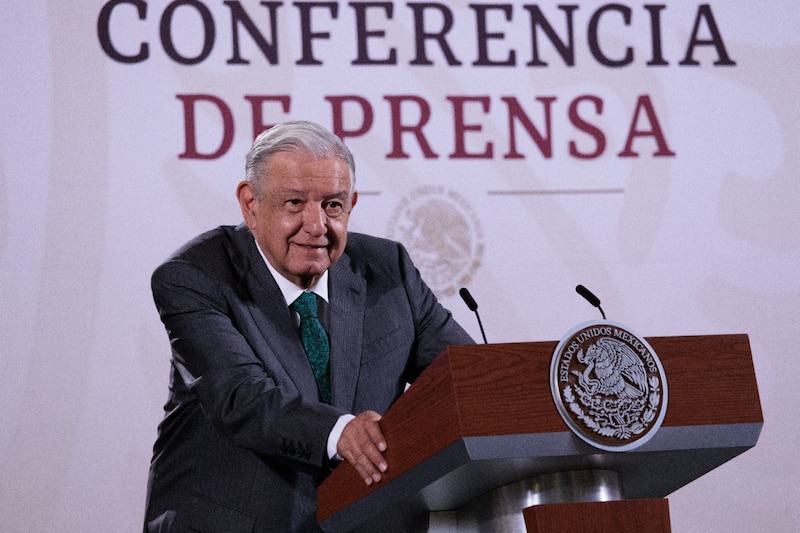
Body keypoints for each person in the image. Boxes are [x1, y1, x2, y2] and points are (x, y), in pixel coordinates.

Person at [143, 120, 474, 531]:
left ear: (351, 204)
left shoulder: (389, 271)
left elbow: (464, 379)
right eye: (294, 203)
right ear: (250, 203)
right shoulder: (196, 276)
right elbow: (242, 396)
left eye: (332, 205)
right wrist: (342, 433)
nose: (316, 225)